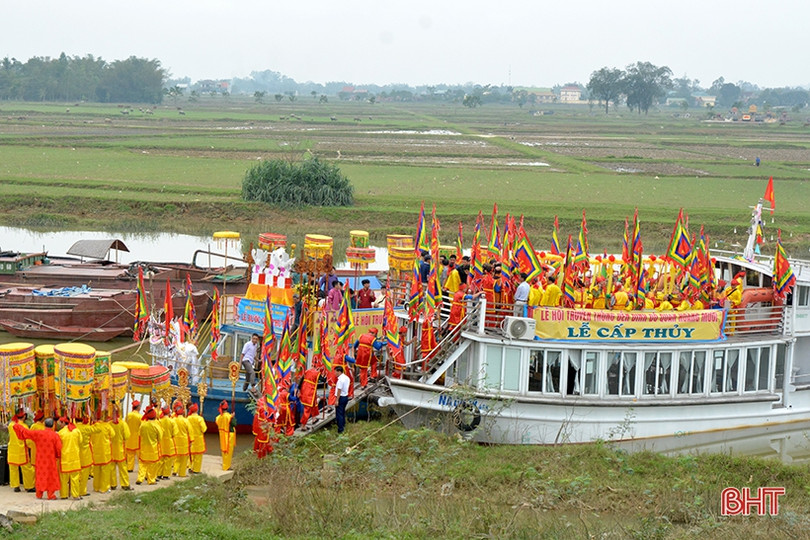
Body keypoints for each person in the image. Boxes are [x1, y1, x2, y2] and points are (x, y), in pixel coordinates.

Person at [12, 417, 61, 500]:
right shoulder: (55, 435)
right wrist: (57, 455)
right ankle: (51, 495)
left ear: (44, 425)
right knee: (51, 476)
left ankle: (39, 494)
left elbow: (26, 432)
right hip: (50, 459)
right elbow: (59, 448)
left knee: (40, 475)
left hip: (40, 459)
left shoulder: (39, 433)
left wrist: (17, 426)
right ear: (53, 425)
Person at [7, 409, 35, 493]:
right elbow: (28, 439)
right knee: (27, 468)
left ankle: (16, 486)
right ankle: (29, 486)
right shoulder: (24, 426)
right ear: (24, 416)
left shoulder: (11, 425)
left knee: (13, 468)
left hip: (12, 449)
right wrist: (31, 446)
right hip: (22, 450)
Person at [56, 416, 83, 499]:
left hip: (64, 458)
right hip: (75, 457)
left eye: (60, 423)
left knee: (63, 478)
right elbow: (80, 441)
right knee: (75, 478)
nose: (59, 424)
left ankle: (63, 495)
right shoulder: (77, 431)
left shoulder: (60, 433)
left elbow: (58, 446)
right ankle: (75, 495)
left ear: (64, 423)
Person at [136, 407, 163, 486]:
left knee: (142, 464)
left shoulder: (143, 425)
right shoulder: (156, 426)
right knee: (152, 465)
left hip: (144, 447)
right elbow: (160, 437)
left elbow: (139, 434)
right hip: (153, 448)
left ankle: (140, 478)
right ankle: (151, 480)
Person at [89, 415, 115, 494]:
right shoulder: (107, 426)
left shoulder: (93, 427)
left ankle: (96, 487)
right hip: (105, 452)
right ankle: (104, 488)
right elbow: (113, 435)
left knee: (96, 470)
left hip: (96, 451)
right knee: (105, 471)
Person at [74, 415, 99, 497]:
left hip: (75, 453)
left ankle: (74, 490)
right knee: (85, 474)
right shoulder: (87, 428)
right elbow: (98, 429)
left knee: (75, 474)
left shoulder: (73, 428)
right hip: (86, 453)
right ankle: (82, 491)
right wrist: (95, 421)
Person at [109, 408, 131, 491]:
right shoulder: (123, 424)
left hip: (111, 449)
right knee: (123, 468)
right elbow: (127, 436)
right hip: (120, 448)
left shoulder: (109, 424)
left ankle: (113, 484)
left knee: (112, 468)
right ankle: (125, 484)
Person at [297, 366, 321, 431]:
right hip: (310, 391)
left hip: (305, 390)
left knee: (314, 404)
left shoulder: (307, 371)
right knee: (307, 409)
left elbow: (301, 380)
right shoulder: (317, 373)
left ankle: (314, 418)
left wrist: (299, 389)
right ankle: (303, 425)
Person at [215, 400, 236, 470]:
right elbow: (234, 424)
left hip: (222, 435)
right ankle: (227, 466)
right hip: (229, 435)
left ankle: (225, 465)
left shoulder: (218, 417)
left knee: (223, 450)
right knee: (229, 451)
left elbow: (218, 423)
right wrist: (233, 417)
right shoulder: (229, 416)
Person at [187, 403, 207, 474]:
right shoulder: (200, 419)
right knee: (198, 455)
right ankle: (196, 470)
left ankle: (190, 467)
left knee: (191, 454)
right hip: (198, 439)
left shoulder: (188, 418)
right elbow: (204, 429)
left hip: (191, 438)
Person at [172, 403, 191, 477]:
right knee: (184, 458)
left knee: (177, 457)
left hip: (175, 439)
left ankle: (175, 470)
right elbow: (190, 431)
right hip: (184, 441)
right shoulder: (185, 421)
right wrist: (191, 440)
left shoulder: (173, 420)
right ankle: (182, 473)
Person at [158, 406, 176, 479]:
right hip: (169, 441)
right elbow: (175, 432)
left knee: (161, 458)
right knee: (168, 459)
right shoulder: (172, 421)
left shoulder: (159, 421)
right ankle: (165, 475)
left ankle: (158, 474)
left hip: (161, 440)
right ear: (169, 412)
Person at [125, 400, 142, 472]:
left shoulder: (128, 415)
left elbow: (125, 425)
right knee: (140, 455)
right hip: (137, 437)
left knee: (130, 454)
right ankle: (141, 468)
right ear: (138, 407)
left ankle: (129, 468)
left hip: (129, 436)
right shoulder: (140, 416)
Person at [334, 366, 350, 434]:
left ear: (339, 372)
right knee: (342, 412)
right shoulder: (346, 378)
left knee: (339, 414)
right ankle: (343, 425)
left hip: (340, 397)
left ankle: (340, 429)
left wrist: (337, 400)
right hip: (345, 396)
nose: (335, 373)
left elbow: (339, 390)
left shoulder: (340, 380)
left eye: (335, 371)